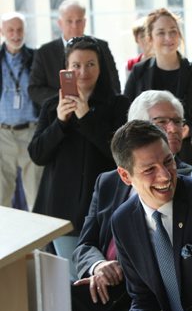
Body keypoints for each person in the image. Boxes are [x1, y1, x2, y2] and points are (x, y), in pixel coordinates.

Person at [71, 90, 192, 311]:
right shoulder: (108, 182)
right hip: (106, 288)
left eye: (178, 121)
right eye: (162, 122)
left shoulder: (186, 181)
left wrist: (120, 270)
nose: (174, 128)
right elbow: (85, 243)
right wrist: (99, 266)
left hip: (148, 296)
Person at [110, 120, 192, 311]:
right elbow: (142, 298)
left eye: (168, 161)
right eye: (149, 170)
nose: (165, 176)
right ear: (125, 175)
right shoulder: (123, 222)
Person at [28, 36, 129, 235]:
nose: (83, 72)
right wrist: (60, 122)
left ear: (100, 67)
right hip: (60, 209)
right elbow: (37, 154)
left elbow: (121, 154)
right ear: (66, 68)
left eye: (90, 64)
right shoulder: (51, 106)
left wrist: (85, 118)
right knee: (65, 265)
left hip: (105, 206)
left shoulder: (119, 105)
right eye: (76, 65)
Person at [124, 7, 192, 165]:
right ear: (150, 38)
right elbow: (127, 116)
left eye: (173, 31)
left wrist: (189, 130)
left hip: (191, 152)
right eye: (161, 32)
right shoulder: (139, 71)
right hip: (149, 153)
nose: (168, 37)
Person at [28, 0, 120, 107]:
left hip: (98, 110)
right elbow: (35, 89)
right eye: (69, 21)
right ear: (60, 23)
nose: (74, 25)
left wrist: (89, 101)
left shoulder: (101, 46)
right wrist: (67, 99)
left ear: (85, 22)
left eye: (79, 21)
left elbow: (114, 83)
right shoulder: (44, 52)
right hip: (57, 113)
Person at [0, 12, 42, 210]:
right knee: (1, 196)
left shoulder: (36, 58)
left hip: (31, 133)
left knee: (36, 196)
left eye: (19, 30)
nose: (15, 35)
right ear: (2, 31)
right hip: (2, 135)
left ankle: (42, 242)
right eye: (10, 30)